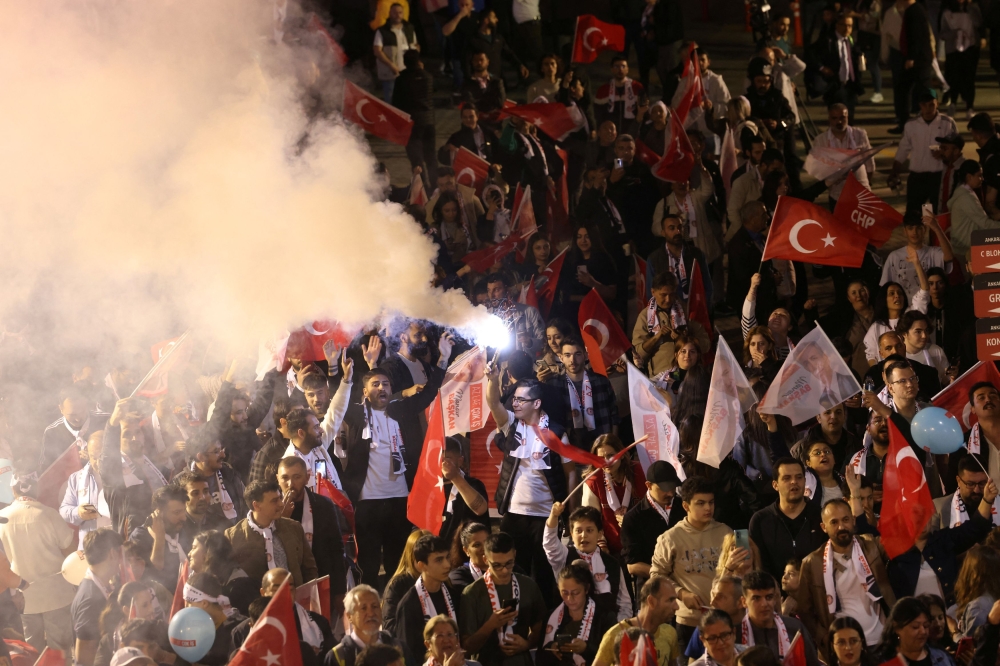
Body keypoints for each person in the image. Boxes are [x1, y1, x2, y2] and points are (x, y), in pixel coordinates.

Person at [341, 358, 442, 590]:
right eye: (375, 384)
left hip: (399, 498)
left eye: (385, 384)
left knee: (398, 561)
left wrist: (443, 360)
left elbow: (428, 394)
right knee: (368, 562)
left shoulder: (400, 410)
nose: (382, 388)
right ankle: (368, 606)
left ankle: (395, 605)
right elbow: (338, 404)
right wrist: (340, 374)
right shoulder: (358, 415)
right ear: (365, 392)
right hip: (368, 503)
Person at [484, 363, 574, 606]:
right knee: (514, 573)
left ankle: (543, 627)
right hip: (514, 515)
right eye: (514, 399)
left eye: (522, 400)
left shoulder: (555, 432)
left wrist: (570, 512)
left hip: (546, 517)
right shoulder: (512, 425)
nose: (515, 404)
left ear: (536, 403)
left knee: (544, 576)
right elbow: (493, 403)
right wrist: (492, 379)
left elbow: (570, 473)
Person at [796, 497, 895, 656]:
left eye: (846, 520)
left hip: (883, 641)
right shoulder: (811, 564)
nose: (841, 526)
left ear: (853, 521)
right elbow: (805, 612)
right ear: (824, 527)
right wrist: (825, 639)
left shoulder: (872, 546)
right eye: (834, 522)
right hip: (845, 650)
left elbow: (900, 544)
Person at [885, 473, 996, 604]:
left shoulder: (943, 540)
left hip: (949, 616)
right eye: (915, 514)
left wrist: (987, 499)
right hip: (914, 621)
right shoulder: (894, 552)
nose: (922, 519)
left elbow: (975, 527)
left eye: (925, 513)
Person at [1, 463, 77, 654]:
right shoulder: (49, 515)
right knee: (60, 654)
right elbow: (71, 552)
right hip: (57, 596)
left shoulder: (2, 518)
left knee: (30, 655)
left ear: (12, 488)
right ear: (37, 486)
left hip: (22, 598)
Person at [650, 476, 733, 645]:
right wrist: (681, 593)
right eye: (701, 503)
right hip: (689, 622)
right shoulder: (670, 538)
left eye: (711, 502)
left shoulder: (726, 532)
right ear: (686, 505)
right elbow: (656, 576)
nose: (708, 508)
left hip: (724, 619)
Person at [459, 531, 546, 666]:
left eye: (509, 563)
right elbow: (466, 647)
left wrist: (527, 644)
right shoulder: (472, 593)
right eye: (497, 565)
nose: (504, 570)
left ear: (515, 554)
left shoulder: (528, 585)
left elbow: (541, 628)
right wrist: (490, 625)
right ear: (486, 560)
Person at [276, 457, 347, 612]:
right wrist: (281, 520)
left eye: (297, 477)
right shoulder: (273, 508)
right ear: (277, 479)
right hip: (285, 586)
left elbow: (336, 549)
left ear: (307, 477)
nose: (290, 484)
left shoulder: (323, 506)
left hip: (320, 582)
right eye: (285, 478)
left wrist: (340, 591)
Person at [544, 504, 631, 620]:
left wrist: (617, 631)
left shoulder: (613, 564)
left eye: (589, 530)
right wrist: (554, 516)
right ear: (571, 533)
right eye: (578, 531)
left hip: (604, 630)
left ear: (600, 533)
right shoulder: (563, 557)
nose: (584, 535)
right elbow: (550, 543)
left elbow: (624, 604)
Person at [226, 479, 318, 586]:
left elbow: (310, 569)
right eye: (274, 501)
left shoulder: (294, 528)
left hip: (294, 599)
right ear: (256, 505)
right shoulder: (233, 538)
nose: (281, 504)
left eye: (280, 498)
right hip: (258, 601)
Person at [750, 457, 827, 582]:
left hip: (817, 593)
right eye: (787, 478)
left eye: (799, 477)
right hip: (773, 596)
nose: (794, 482)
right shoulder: (760, 520)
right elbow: (758, 567)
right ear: (775, 485)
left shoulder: (821, 516)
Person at [887, 92, 959, 213]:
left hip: (939, 177)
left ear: (937, 103)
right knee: (915, 214)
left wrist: (944, 154)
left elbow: (957, 148)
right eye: (924, 105)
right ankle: (918, 231)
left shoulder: (948, 123)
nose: (928, 108)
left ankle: (933, 232)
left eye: (931, 104)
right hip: (917, 178)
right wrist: (894, 171)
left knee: (935, 214)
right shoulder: (911, 125)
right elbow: (903, 149)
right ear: (920, 105)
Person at [207, 362, 279, 482]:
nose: (245, 416)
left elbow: (263, 400)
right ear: (226, 414)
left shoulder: (247, 424)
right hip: (232, 489)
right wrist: (229, 380)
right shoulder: (220, 434)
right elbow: (220, 411)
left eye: (245, 410)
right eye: (239, 412)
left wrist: (270, 367)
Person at [393, 535, 459, 666]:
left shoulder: (453, 594)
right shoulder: (408, 605)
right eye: (439, 560)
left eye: (447, 557)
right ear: (421, 566)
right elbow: (406, 655)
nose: (447, 565)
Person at [633, 271, 711, 378]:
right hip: (661, 377)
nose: (668, 299)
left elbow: (706, 344)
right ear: (653, 292)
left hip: (689, 375)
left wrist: (683, 340)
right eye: (663, 295)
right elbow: (637, 354)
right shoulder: (645, 316)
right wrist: (657, 337)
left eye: (672, 294)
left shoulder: (687, 312)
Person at [537, 562, 616, 666]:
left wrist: (586, 649)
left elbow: (613, 655)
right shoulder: (551, 617)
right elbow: (540, 658)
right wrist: (551, 648)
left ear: (586, 589)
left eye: (575, 593)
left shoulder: (604, 617)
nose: (570, 599)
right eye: (564, 593)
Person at [620, 461, 683, 592]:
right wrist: (667, 576)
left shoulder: (683, 507)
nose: (671, 494)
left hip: (685, 585)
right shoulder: (633, 518)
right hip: (651, 590)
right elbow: (632, 565)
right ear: (648, 485)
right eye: (665, 489)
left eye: (673, 488)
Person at [546, 340, 619, 451]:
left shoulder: (601, 381)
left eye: (578, 354)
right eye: (567, 355)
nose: (572, 360)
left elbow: (614, 416)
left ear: (585, 355)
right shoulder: (553, 384)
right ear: (561, 358)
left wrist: (613, 443)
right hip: (569, 448)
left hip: (601, 445)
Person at [592, 576, 681, 666]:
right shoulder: (614, 634)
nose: (677, 607)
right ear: (651, 601)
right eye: (670, 600)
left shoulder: (670, 633)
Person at [738, 571, 820, 666]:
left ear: (775, 599)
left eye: (769, 597)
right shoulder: (736, 634)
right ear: (744, 601)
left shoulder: (794, 628)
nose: (764, 604)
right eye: (756, 598)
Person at [582, 435, 645, 556]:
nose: (607, 461)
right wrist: (602, 547)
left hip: (642, 542)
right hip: (611, 549)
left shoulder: (639, 471)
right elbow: (590, 521)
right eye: (600, 458)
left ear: (621, 453)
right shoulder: (593, 481)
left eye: (611, 455)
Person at [72, 528, 124, 666]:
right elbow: (84, 659)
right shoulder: (90, 600)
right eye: (121, 554)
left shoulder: (99, 587)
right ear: (112, 553)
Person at [260, 568, 333, 660]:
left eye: (289, 589)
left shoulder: (319, 623)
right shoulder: (246, 629)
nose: (284, 594)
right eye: (277, 589)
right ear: (263, 593)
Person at [880, 212, 954, 301]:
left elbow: (949, 256)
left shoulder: (933, 252)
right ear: (905, 231)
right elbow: (884, 288)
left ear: (924, 230)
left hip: (928, 307)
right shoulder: (894, 256)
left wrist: (936, 228)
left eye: (919, 228)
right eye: (910, 228)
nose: (914, 232)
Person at [646, 213, 714, 310]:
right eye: (672, 228)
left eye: (679, 227)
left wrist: (704, 308)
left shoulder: (696, 254)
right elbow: (651, 293)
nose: (677, 231)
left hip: (696, 309)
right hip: (668, 311)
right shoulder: (654, 259)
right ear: (663, 232)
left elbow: (707, 285)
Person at [128, 484, 188, 593]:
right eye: (177, 513)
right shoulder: (140, 537)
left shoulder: (182, 530)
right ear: (159, 513)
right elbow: (152, 575)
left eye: (184, 511)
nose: (183, 517)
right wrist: (159, 539)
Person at [810, 104, 873, 206]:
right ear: (829, 119)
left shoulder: (859, 134)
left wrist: (867, 183)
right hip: (837, 195)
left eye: (842, 118)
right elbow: (818, 171)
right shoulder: (821, 140)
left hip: (861, 193)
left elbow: (870, 163)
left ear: (847, 117)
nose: (839, 122)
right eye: (834, 118)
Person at [557, 227, 619, 325]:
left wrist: (593, 283)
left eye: (587, 237)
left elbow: (612, 294)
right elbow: (564, 294)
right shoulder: (568, 260)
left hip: (597, 314)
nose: (583, 241)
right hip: (572, 314)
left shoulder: (604, 260)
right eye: (579, 237)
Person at [188, 530, 259, 617]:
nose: (189, 554)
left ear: (208, 552)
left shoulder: (240, 587)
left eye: (194, 547)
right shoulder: (206, 582)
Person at [863, 274, 930, 366]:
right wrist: (878, 374)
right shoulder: (877, 326)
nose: (897, 296)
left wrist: (916, 263)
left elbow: (924, 291)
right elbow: (871, 355)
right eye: (892, 293)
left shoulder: (911, 316)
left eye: (900, 293)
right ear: (884, 299)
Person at [183, 572, 247, 666]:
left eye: (189, 602)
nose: (185, 608)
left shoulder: (240, 630)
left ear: (204, 603)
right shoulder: (198, 631)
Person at [60, 432, 112, 549]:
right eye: (94, 457)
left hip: (119, 542)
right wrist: (79, 512)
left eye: (102, 456)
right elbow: (64, 510)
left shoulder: (125, 473)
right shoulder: (76, 479)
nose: (98, 463)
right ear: (88, 455)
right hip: (91, 547)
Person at [808, 17, 865, 121]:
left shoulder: (850, 40)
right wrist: (822, 68)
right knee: (837, 117)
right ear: (837, 25)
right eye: (844, 25)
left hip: (850, 84)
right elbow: (811, 54)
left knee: (849, 116)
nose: (847, 28)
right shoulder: (828, 40)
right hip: (835, 84)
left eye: (850, 26)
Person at [392, 50, 436, 184]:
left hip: (411, 125)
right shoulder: (428, 77)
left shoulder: (401, 80)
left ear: (405, 63)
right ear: (419, 61)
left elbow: (396, 103)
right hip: (429, 121)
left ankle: (421, 188)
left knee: (416, 160)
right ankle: (435, 185)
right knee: (431, 157)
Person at [328, 585, 400, 666]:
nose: (371, 613)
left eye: (374, 606)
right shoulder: (338, 657)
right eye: (363, 608)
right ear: (349, 616)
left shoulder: (398, 647)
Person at [39, 386, 106, 472]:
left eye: (82, 412)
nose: (78, 419)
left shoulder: (105, 421)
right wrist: (71, 460)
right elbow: (46, 470)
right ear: (61, 409)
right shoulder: (52, 432)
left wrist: (94, 456)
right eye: (72, 415)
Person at [437, 436, 488, 547]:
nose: (442, 464)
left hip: (464, 553)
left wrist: (454, 477)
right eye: (438, 459)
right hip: (435, 554)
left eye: (447, 459)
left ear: (460, 461)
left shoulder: (474, 484)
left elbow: (480, 509)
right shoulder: (428, 487)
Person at [187, 429, 246, 523]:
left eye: (221, 449)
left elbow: (245, 505)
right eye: (216, 452)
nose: (223, 455)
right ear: (201, 457)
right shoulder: (183, 483)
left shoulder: (229, 474)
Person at [874, 597, 954, 666]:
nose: (923, 631)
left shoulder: (941, 656)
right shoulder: (883, 661)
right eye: (915, 627)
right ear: (897, 628)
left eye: (926, 626)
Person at [940, 0, 982, 119]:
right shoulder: (947, 12)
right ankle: (953, 103)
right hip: (953, 49)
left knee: (969, 78)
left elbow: (979, 23)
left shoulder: (973, 8)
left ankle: (970, 107)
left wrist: (970, 8)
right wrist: (955, 34)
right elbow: (942, 33)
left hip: (971, 48)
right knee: (954, 77)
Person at [947, 160, 994, 259]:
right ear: (969, 177)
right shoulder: (966, 197)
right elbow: (985, 223)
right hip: (966, 251)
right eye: (979, 175)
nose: (982, 179)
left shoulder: (963, 192)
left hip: (964, 247)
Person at [174, 471, 232, 550]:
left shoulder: (222, 523)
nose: (202, 497)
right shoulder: (177, 526)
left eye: (205, 492)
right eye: (195, 493)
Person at [373, 4, 418, 103]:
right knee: (391, 100)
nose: (397, 15)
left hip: (408, 71)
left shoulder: (409, 28)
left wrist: (417, 61)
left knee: (408, 101)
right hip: (390, 72)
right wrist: (391, 65)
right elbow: (377, 51)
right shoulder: (382, 31)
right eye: (394, 12)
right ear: (389, 13)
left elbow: (415, 46)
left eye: (400, 12)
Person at [954, 544, 1000, 639]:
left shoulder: (978, 607)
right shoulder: (995, 598)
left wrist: (954, 632)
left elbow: (971, 648)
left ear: (972, 573)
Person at [595, 56, 646, 135]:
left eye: (623, 66)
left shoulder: (637, 87)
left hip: (633, 133)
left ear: (627, 69)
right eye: (616, 66)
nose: (620, 69)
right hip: (610, 135)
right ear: (611, 69)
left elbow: (643, 112)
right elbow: (598, 115)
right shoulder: (603, 90)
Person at [460, 51, 505, 116]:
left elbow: (500, 102)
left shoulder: (497, 82)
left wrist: (479, 100)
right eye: (476, 60)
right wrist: (490, 99)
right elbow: (469, 102)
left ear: (487, 61)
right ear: (472, 62)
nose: (479, 62)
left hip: (493, 121)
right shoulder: (467, 83)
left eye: (481, 60)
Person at [935, 133, 966, 215]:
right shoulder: (942, 167)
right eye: (940, 148)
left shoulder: (966, 169)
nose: (941, 152)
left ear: (956, 151)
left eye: (945, 149)